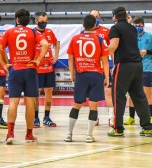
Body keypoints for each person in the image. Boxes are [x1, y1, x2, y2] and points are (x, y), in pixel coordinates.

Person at [0, 9, 49, 145]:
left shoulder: (9, 32)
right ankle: (29, 135)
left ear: (17, 19)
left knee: (13, 102)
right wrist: (38, 60)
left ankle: (10, 134)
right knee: (30, 102)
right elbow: (46, 45)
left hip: (15, 69)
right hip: (30, 69)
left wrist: (4, 65)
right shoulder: (33, 32)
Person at [107, 7, 152, 137]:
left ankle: (118, 128)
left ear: (115, 17)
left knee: (118, 96)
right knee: (139, 96)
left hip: (124, 65)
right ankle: (147, 127)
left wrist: (101, 55)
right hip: (137, 65)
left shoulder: (115, 28)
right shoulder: (132, 28)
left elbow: (114, 46)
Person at [64, 15, 110, 143]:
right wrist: (107, 77)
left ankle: (69, 134)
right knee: (93, 106)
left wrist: (72, 74)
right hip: (96, 75)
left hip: (81, 75)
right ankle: (89, 136)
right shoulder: (100, 40)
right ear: (95, 25)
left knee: (77, 104)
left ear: (83, 25)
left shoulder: (75, 38)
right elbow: (105, 61)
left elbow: (71, 59)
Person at [124, 16, 152, 126]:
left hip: (146, 68)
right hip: (132, 68)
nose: (138, 28)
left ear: (143, 25)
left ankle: (150, 116)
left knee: (147, 93)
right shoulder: (130, 37)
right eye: (135, 26)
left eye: (139, 26)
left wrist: (147, 51)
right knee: (131, 94)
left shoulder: (150, 36)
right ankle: (131, 117)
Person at [33, 12, 60, 128]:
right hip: (37, 69)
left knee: (49, 91)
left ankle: (47, 117)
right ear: (36, 21)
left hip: (48, 67)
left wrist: (56, 55)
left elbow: (56, 43)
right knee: (36, 93)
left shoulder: (49, 32)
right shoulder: (32, 33)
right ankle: (35, 117)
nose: (44, 23)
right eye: (42, 21)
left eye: (46, 21)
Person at [89, 10, 114, 126]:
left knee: (108, 91)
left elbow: (112, 49)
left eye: (97, 16)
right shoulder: (86, 32)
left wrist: (113, 64)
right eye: (93, 17)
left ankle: (111, 117)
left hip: (104, 65)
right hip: (92, 66)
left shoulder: (106, 31)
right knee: (93, 94)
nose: (96, 19)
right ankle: (95, 118)